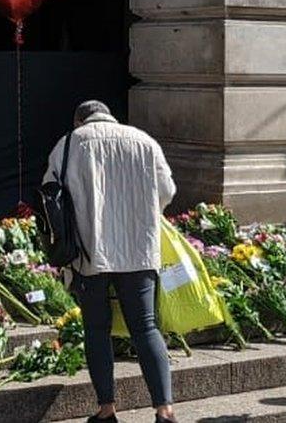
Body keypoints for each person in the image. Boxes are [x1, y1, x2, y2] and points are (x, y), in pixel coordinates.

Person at [44, 100, 178, 423]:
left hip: (90, 253)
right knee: (146, 327)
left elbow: (51, 194)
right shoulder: (144, 141)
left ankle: (107, 410)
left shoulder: (68, 144)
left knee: (96, 328)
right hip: (139, 249)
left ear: (80, 120)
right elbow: (167, 191)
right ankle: (165, 411)